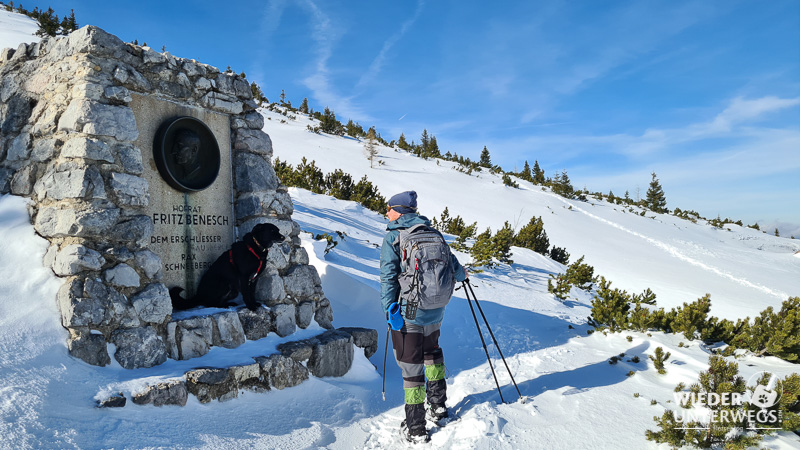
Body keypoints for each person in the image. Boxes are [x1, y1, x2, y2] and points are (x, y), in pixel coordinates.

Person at [380, 190, 468, 443]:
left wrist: (389, 308)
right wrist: (464, 276)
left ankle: (416, 425)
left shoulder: (395, 237)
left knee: (411, 364)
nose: (387, 212)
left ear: (399, 211)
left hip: (410, 308)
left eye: (389, 208)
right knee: (432, 352)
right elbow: (454, 268)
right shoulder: (433, 233)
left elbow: (388, 277)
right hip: (437, 307)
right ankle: (439, 407)